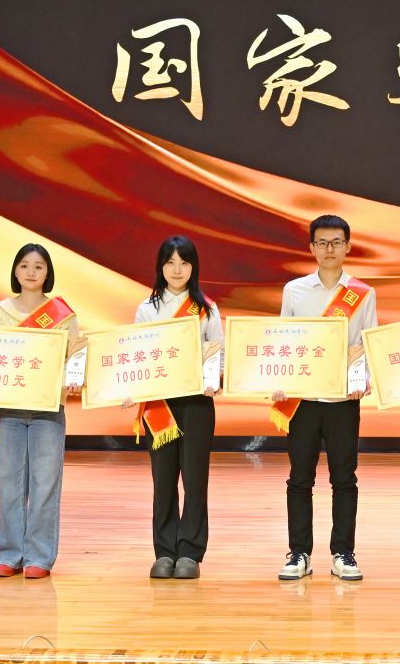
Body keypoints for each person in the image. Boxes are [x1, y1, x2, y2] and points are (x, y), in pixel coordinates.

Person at [276, 214, 376, 582]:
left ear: (348, 247)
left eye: (336, 242)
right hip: (302, 400)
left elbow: (368, 343)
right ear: (312, 247)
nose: (329, 249)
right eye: (322, 242)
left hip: (343, 401)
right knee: (299, 479)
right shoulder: (294, 291)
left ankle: (343, 553)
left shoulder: (363, 294)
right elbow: (282, 342)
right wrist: (278, 379)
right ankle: (299, 553)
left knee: (344, 479)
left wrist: (364, 380)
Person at [0, 243, 87, 579]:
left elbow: (74, 359)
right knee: (9, 484)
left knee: (45, 485)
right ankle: (8, 555)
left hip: (48, 409)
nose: (31, 272)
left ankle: (39, 558)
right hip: (10, 410)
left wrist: (75, 379)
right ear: (15, 271)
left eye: (39, 266)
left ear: (48, 273)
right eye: (25, 265)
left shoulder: (64, 316)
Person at [132, 235, 225, 580]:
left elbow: (218, 353)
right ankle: (164, 551)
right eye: (170, 262)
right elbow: (137, 356)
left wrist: (214, 378)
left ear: (193, 267)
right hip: (160, 404)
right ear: (160, 266)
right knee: (163, 479)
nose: (176, 269)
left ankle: (190, 551)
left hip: (197, 402)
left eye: (183, 263)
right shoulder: (147, 309)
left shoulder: (207, 309)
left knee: (195, 479)